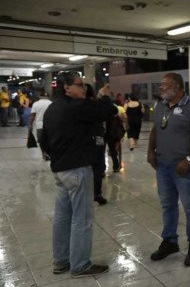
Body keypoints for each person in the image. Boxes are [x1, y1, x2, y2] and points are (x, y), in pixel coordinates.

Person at [39, 71, 116, 278]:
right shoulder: (76, 107)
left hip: (60, 170)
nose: (83, 88)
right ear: (67, 88)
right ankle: (80, 265)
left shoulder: (52, 108)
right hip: (77, 169)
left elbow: (44, 140)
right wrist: (104, 95)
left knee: (63, 217)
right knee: (82, 218)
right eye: (80, 85)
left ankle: (61, 261)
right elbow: (109, 109)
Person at [147, 73, 190, 267]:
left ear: (177, 87)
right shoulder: (161, 105)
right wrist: (150, 150)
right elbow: (155, 129)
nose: (160, 88)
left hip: (184, 168)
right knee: (168, 205)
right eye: (160, 85)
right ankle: (170, 241)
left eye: (164, 85)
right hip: (163, 166)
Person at [85, 84, 108, 205]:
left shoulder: (77, 105)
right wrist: (105, 96)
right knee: (98, 165)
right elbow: (111, 110)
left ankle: (89, 192)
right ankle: (97, 193)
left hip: (83, 140)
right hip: (98, 138)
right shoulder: (96, 104)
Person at [29, 91, 52, 160]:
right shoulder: (51, 103)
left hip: (39, 125)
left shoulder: (36, 104)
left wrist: (30, 125)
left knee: (41, 140)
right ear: (47, 96)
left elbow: (32, 116)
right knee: (50, 140)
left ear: (40, 96)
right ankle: (50, 153)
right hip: (50, 125)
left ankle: (44, 154)